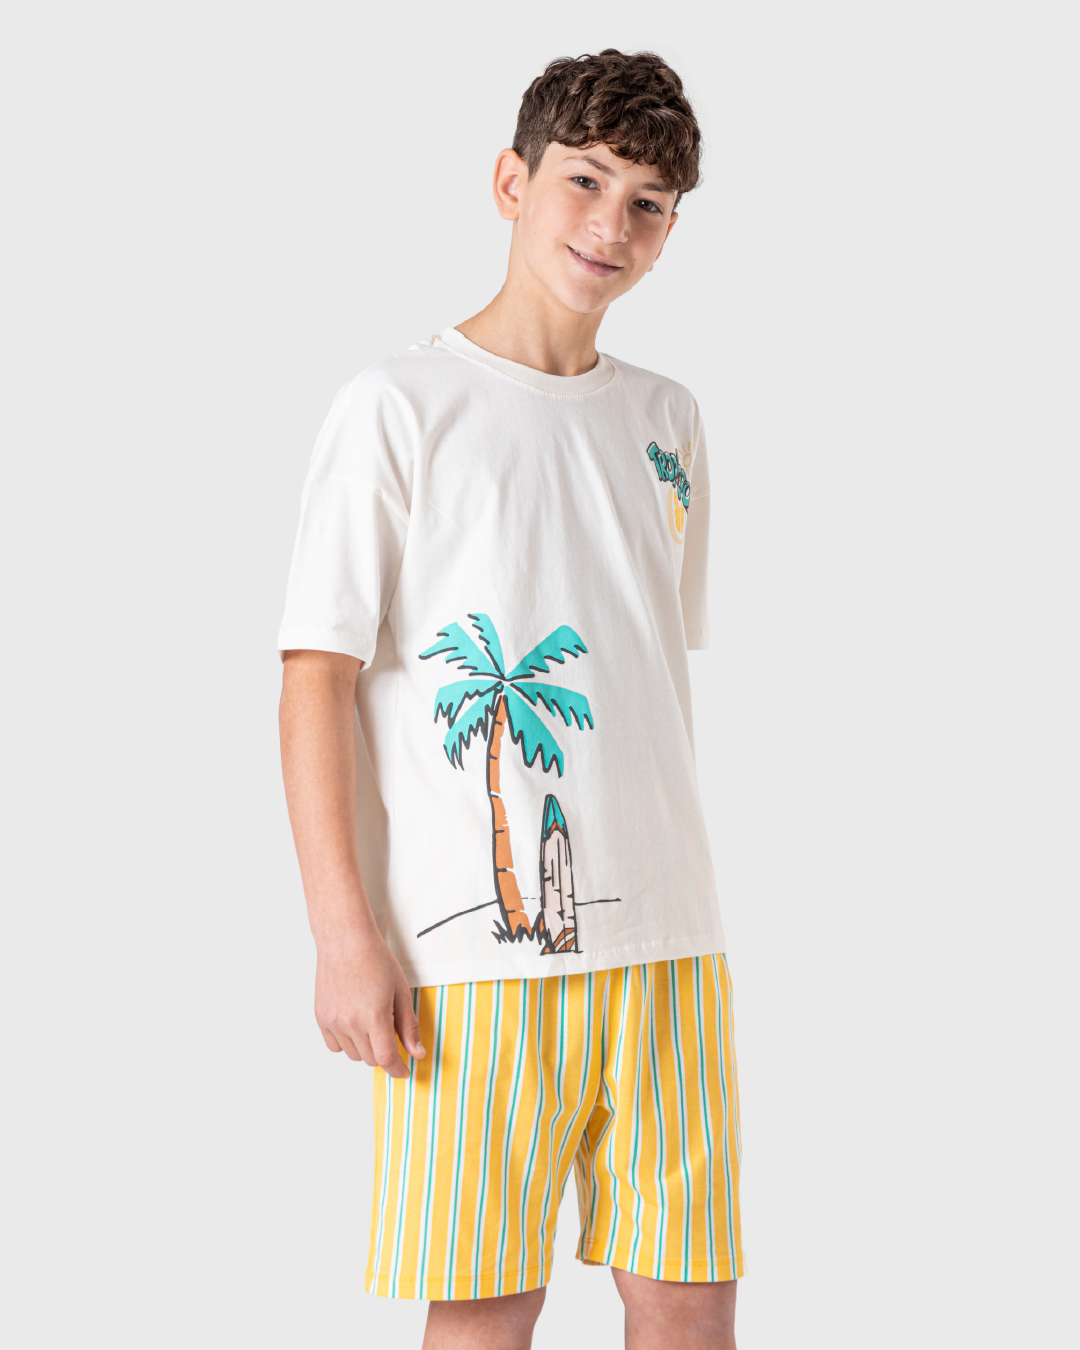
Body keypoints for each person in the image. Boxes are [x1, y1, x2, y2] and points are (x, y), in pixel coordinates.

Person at [278, 49, 743, 1350]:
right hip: (472, 963)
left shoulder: (669, 419)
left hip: (673, 948)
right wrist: (342, 933)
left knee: (689, 1302)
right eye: (584, 181)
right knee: (487, 1308)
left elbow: (643, 676)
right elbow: (315, 676)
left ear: (670, 232)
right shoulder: (398, 407)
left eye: (648, 203)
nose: (610, 224)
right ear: (511, 181)